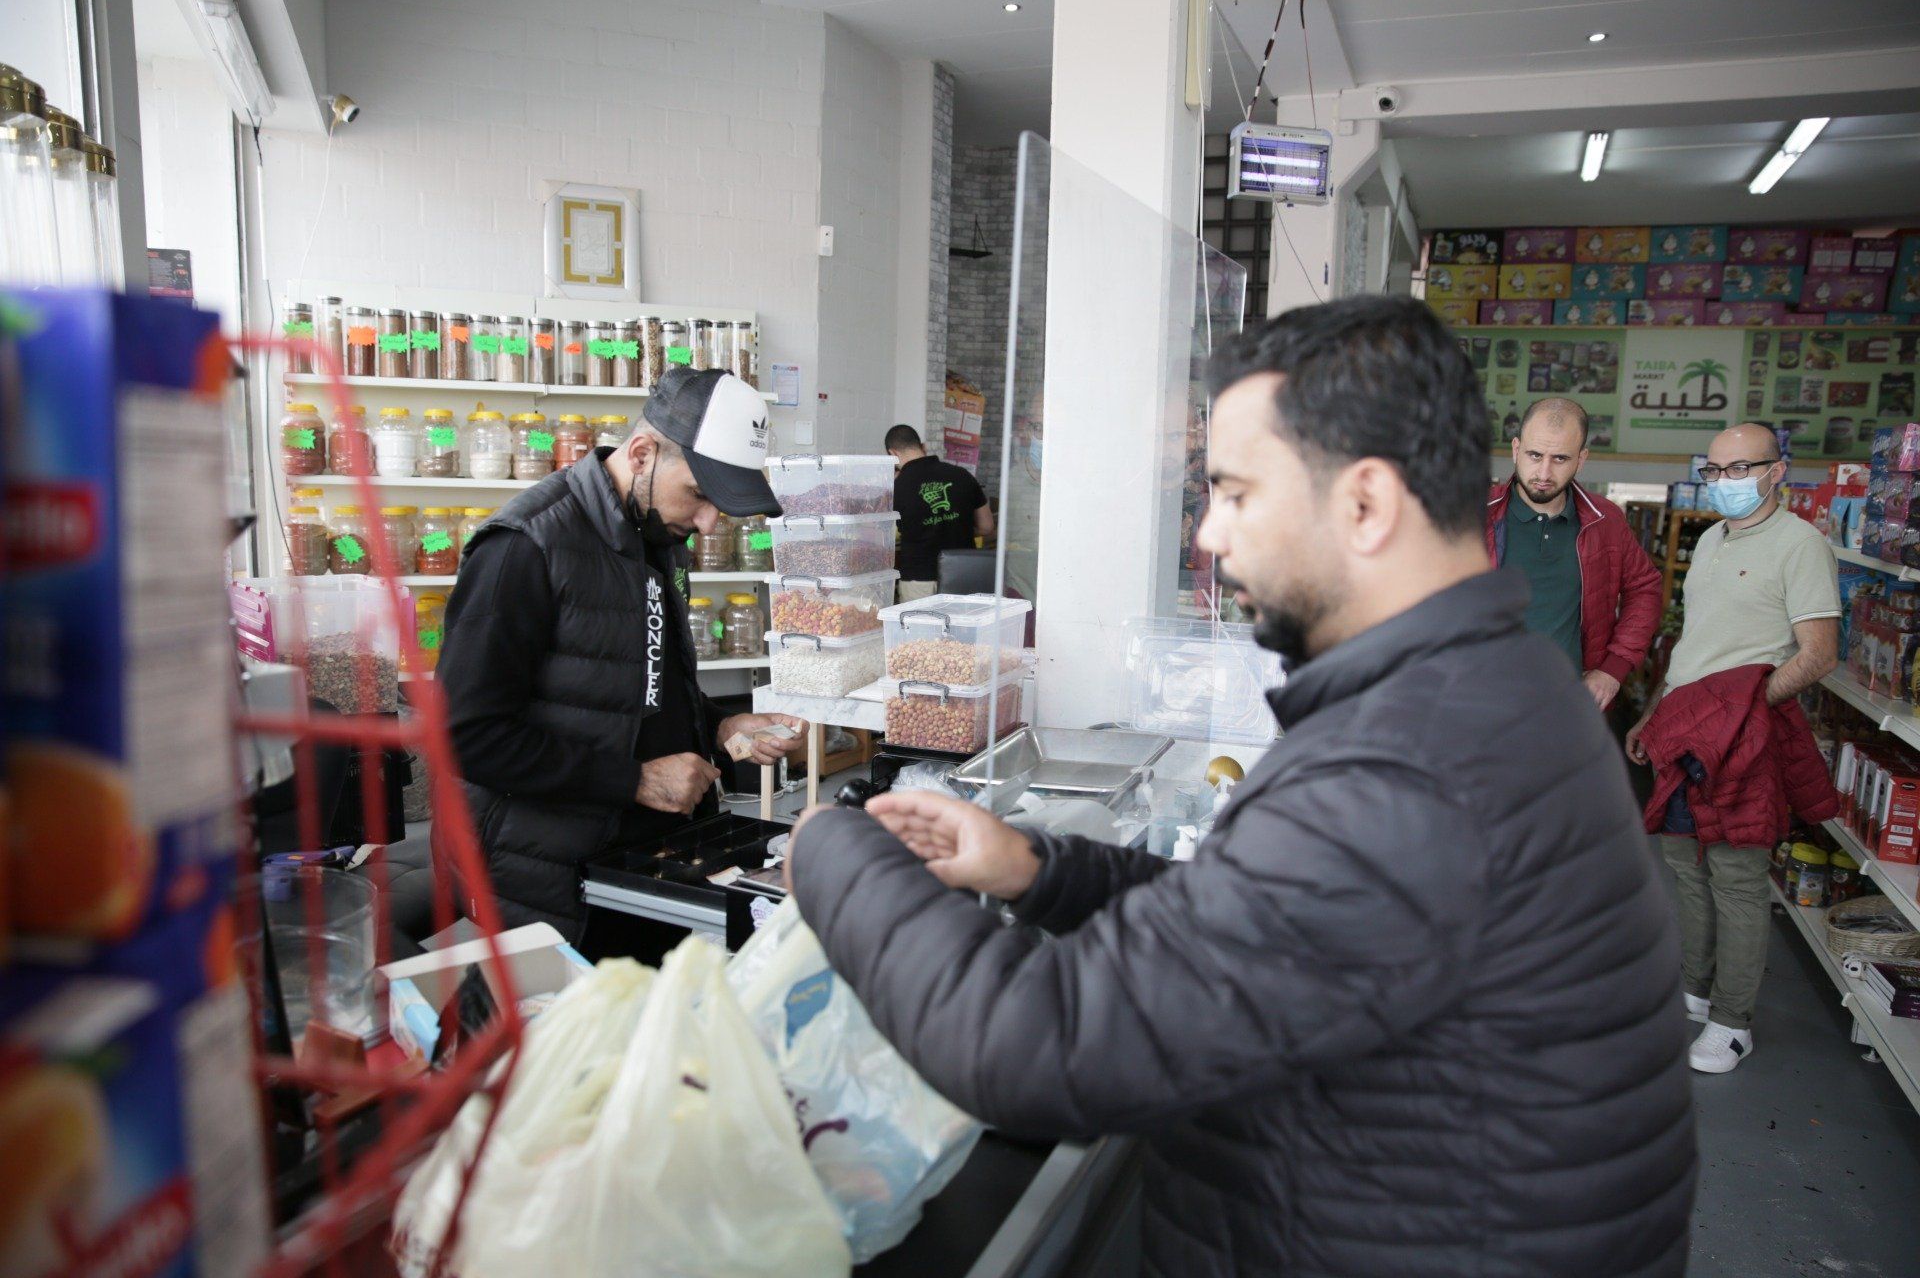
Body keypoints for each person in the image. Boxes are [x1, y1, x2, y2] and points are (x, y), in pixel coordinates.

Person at [786, 296, 1696, 1277]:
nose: (1211, 533)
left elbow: (1040, 1045)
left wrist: (834, 848)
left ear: (1365, 503)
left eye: (1235, 493)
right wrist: (1038, 869)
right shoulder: (1486, 687)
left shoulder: (1409, 760)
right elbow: (1264, 918)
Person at [436, 367, 807, 937]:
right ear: (641, 454)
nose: (708, 524)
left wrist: (718, 723)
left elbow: (641, 683)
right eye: (699, 495)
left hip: (647, 858)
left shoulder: (657, 534)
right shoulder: (526, 546)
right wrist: (632, 779)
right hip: (548, 879)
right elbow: (465, 736)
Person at [1627, 423, 1840, 1074]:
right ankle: (1694, 990)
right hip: (1683, 727)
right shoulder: (1713, 539)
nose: (1725, 482)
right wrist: (1655, 711)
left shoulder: (1801, 544)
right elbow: (1696, 642)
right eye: (1715, 471)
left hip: (1744, 736)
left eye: (1740, 468)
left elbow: (1819, 655)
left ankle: (1732, 1022)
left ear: (1778, 470)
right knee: (1684, 864)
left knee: (1737, 878)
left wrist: (1745, 708)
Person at [1484, 396, 1664, 709]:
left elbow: (1645, 588)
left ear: (1581, 459)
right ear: (1516, 449)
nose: (1543, 473)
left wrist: (1613, 669)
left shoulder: (1605, 520)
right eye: (1534, 455)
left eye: (1560, 459)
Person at [885, 424, 992, 603]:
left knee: (920, 622)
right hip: (962, 573)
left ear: (892, 454)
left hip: (919, 579)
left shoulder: (896, 486)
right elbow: (987, 526)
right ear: (923, 447)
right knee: (960, 622)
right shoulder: (962, 475)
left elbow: (885, 533)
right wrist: (954, 526)